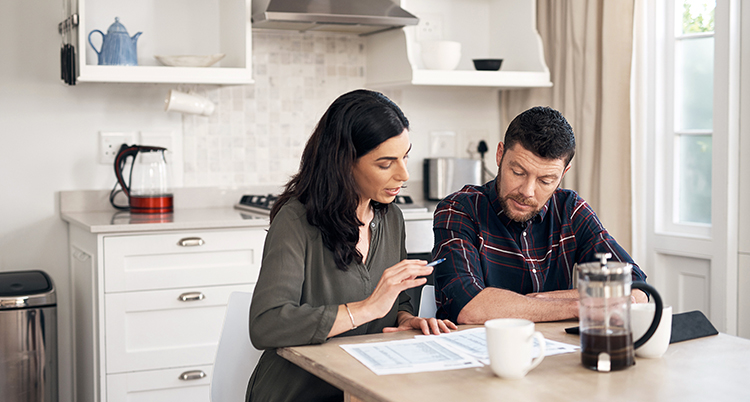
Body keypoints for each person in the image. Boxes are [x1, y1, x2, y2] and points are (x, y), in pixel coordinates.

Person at [247, 89, 456, 402]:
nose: (404, 174)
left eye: (405, 156)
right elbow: (266, 324)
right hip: (298, 393)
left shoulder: (391, 218)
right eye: (386, 163)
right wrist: (368, 308)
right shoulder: (296, 220)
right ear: (344, 163)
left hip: (364, 388)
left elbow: (396, 303)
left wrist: (405, 320)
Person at [432, 106, 648, 325]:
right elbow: (468, 306)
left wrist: (538, 300)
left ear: (563, 174)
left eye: (545, 181)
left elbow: (637, 289)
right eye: (518, 172)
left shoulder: (570, 209)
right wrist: (578, 305)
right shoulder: (459, 209)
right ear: (500, 154)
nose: (527, 191)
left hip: (556, 350)